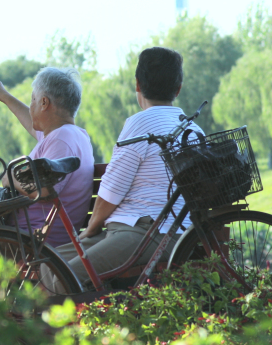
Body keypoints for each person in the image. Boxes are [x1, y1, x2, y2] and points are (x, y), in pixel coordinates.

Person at [44, 46, 204, 293]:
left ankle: (76, 329)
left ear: (138, 85)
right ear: (178, 88)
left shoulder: (140, 124)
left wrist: (92, 228)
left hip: (148, 232)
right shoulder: (193, 128)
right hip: (150, 231)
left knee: (63, 276)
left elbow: (110, 192)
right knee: (49, 261)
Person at [0, 67, 94, 247]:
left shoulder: (62, 139)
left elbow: (44, 191)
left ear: (44, 103)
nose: (31, 106)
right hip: (33, 232)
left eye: (33, 100)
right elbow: (31, 124)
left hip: (34, 238)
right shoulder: (68, 134)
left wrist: (10, 178)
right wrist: (2, 95)